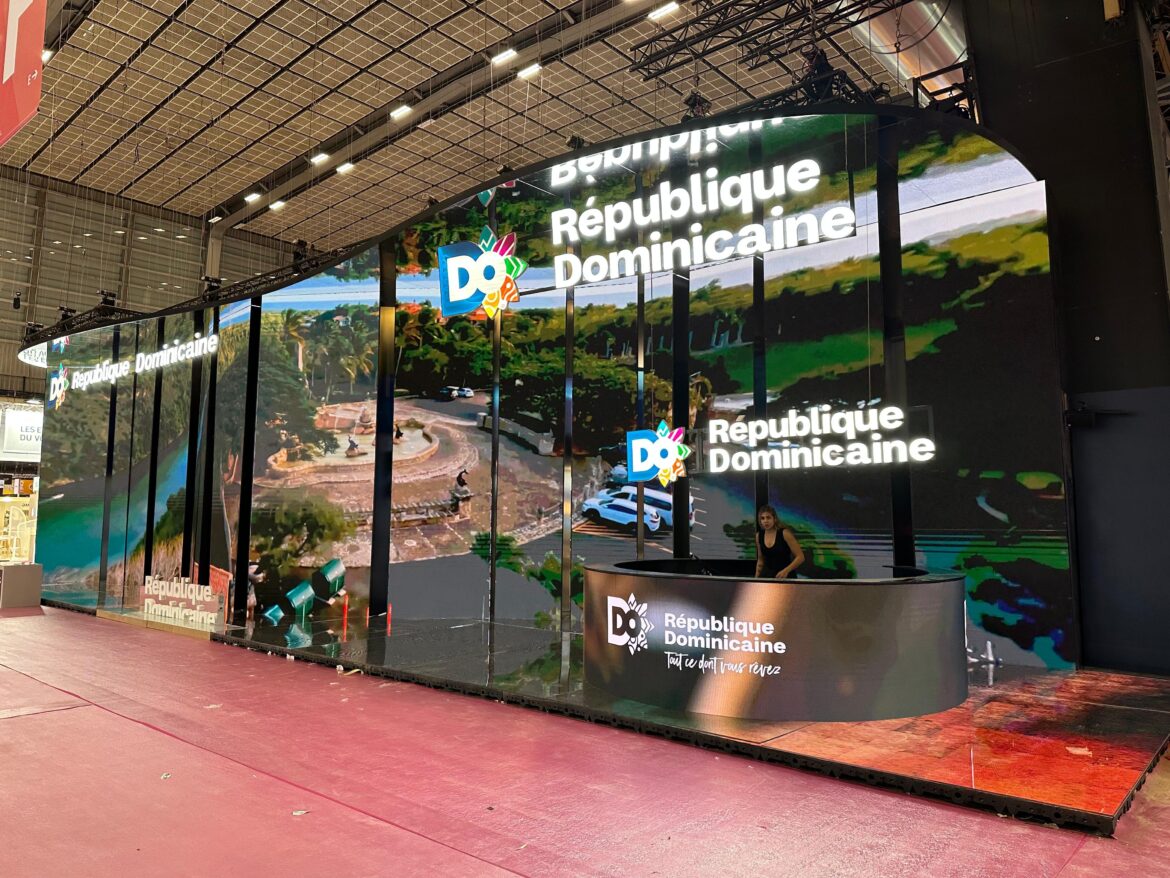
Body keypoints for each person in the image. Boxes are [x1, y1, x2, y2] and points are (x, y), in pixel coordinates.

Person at [755, 505, 805, 579]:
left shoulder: (784, 533)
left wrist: (786, 571)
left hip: (785, 577)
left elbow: (800, 557)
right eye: (762, 518)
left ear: (774, 519)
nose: (765, 521)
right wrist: (755, 580)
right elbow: (760, 561)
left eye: (768, 517)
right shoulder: (759, 536)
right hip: (766, 577)